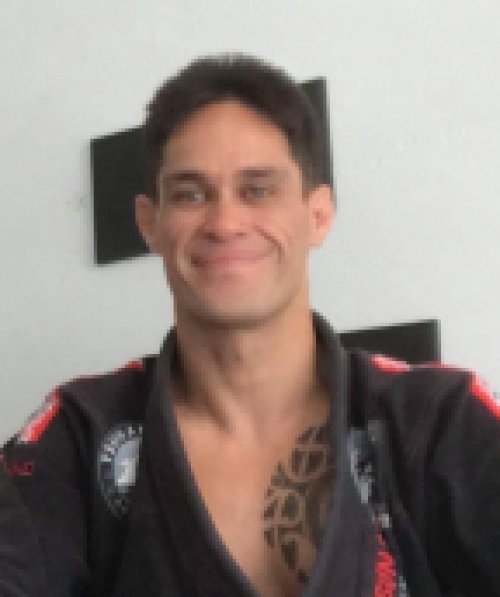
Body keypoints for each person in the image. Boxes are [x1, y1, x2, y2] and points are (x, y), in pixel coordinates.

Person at [0, 54, 499, 597]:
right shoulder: (80, 434)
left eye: (258, 190)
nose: (224, 223)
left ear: (318, 215)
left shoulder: (439, 420)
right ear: (150, 223)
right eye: (191, 194)